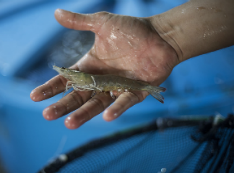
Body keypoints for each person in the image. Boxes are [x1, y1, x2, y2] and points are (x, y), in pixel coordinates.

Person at [30, 0, 234, 129]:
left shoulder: (86, 79)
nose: (66, 74)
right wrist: (165, 35)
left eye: (67, 73)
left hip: (110, 82)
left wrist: (164, 35)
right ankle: (150, 87)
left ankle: (150, 88)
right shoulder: (83, 79)